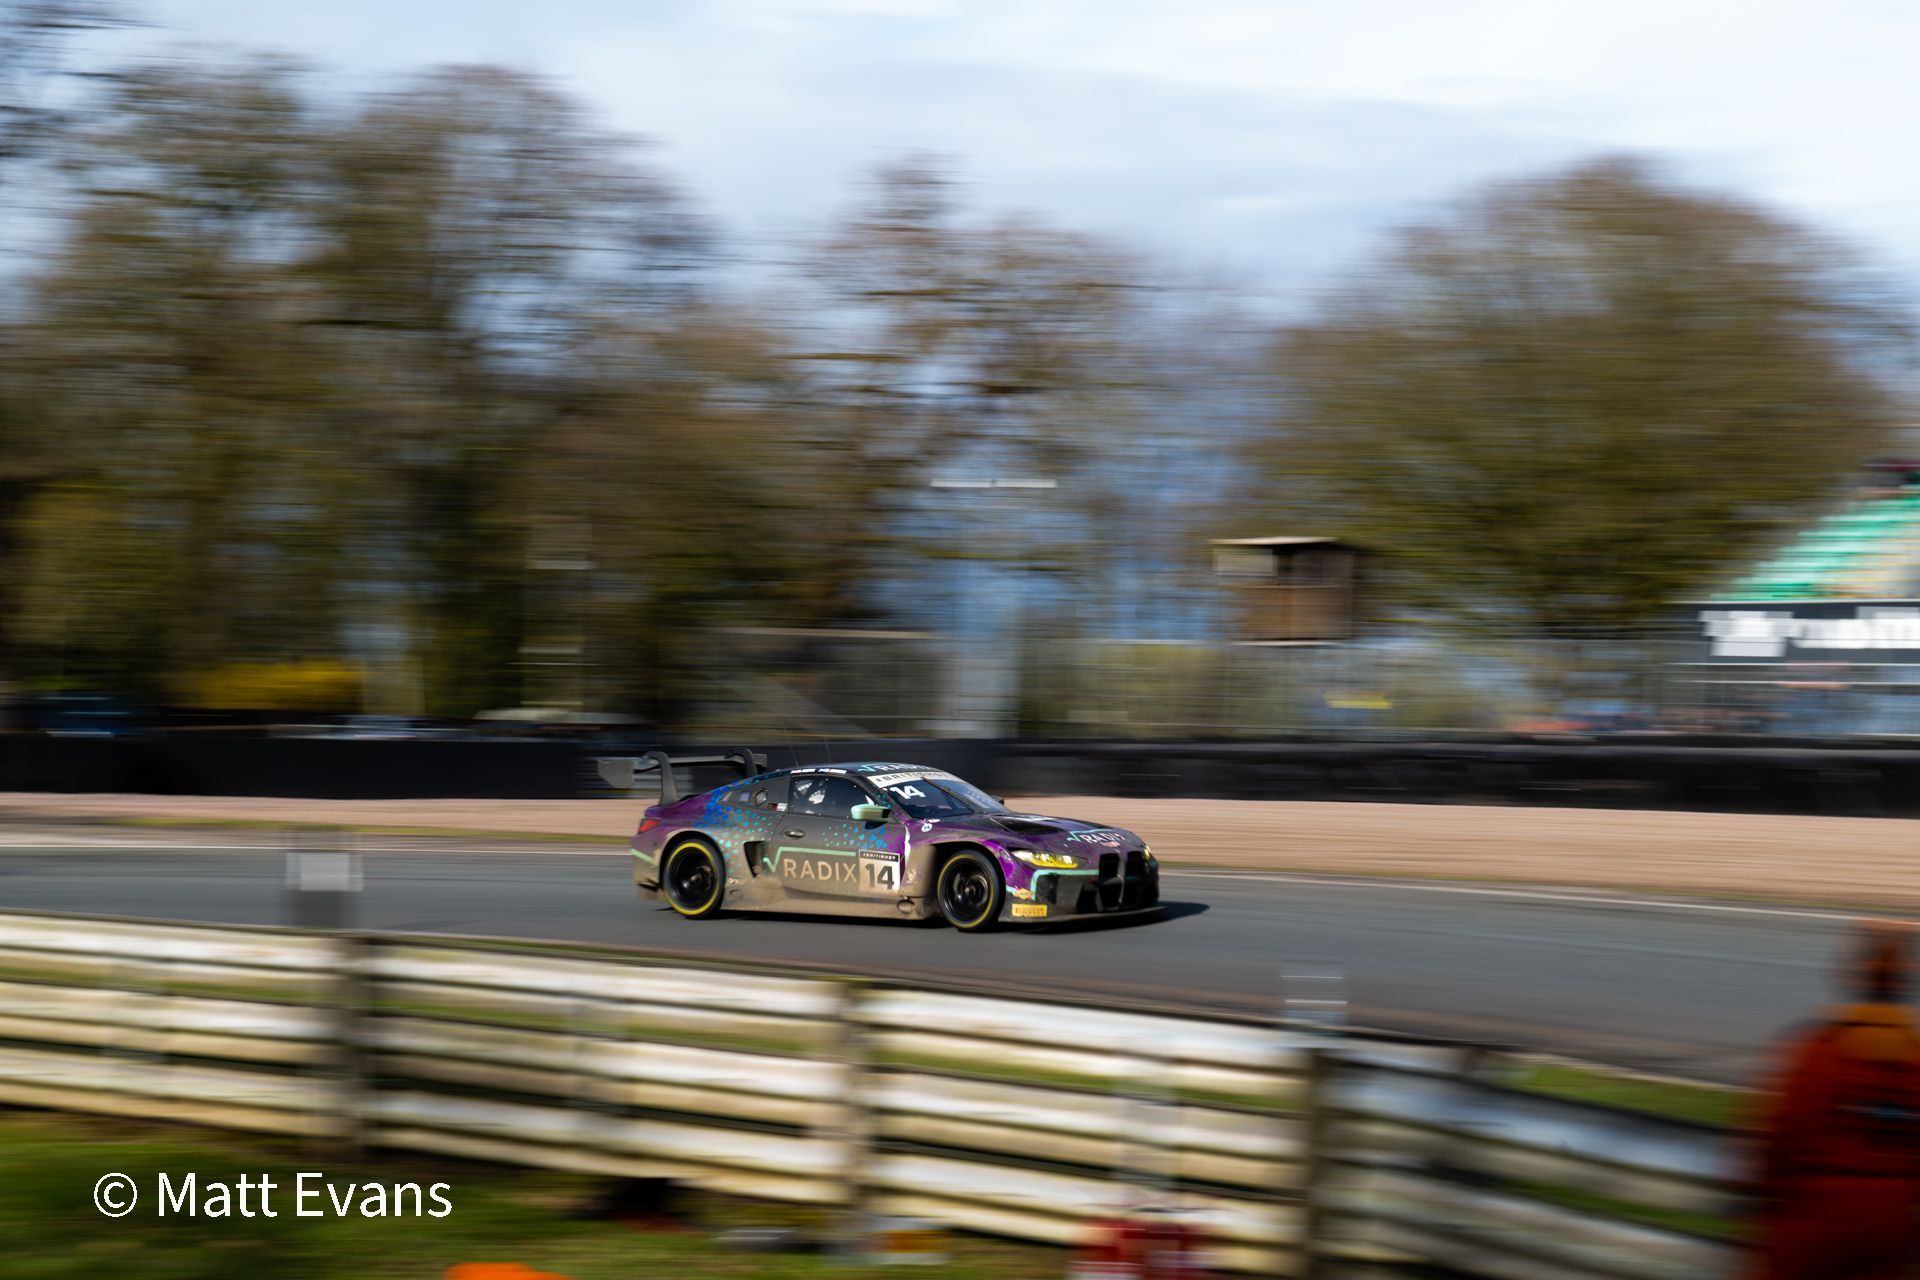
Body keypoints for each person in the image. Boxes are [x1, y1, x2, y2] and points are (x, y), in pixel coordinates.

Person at [1750, 920, 1920, 1279]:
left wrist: (1764, 1199)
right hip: (1890, 1228)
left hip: (1813, 1224)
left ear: (1850, 976)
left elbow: (1781, 1138)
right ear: (1906, 983)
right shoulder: (1915, 1058)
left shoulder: (1819, 1051)